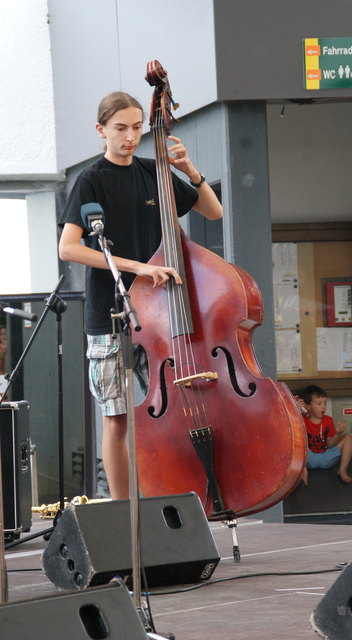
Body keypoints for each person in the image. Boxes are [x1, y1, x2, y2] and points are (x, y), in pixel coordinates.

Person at [58, 91, 223, 500]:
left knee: (176, 412)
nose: (130, 137)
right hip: (109, 316)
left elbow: (213, 211)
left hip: (160, 318)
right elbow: (69, 248)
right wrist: (138, 267)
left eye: (136, 127)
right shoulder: (91, 180)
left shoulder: (154, 172)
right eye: (120, 128)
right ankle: (121, 511)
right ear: (101, 130)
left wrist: (190, 170)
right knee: (116, 418)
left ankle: (179, 499)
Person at [295, 384, 352, 485]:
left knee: (348, 438)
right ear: (308, 406)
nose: (323, 406)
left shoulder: (328, 420)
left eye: (325, 403)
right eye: (319, 404)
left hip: (326, 458)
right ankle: (302, 472)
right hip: (309, 459)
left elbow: (330, 444)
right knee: (295, 441)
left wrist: (338, 434)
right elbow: (289, 425)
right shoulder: (301, 419)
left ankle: (342, 470)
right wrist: (297, 408)